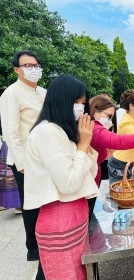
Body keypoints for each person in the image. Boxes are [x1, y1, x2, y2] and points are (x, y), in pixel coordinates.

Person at [23, 74, 99, 279]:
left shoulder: (63, 131)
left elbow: (89, 173)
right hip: (60, 222)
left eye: (83, 103)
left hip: (76, 216)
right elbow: (69, 183)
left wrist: (84, 143)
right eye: (76, 102)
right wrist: (83, 145)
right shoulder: (46, 132)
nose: (80, 109)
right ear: (60, 101)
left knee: (81, 273)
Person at [0, 50, 46, 264]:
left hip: (46, 156)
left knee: (47, 202)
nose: (33, 69)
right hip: (26, 161)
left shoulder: (43, 92)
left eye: (36, 65)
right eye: (28, 66)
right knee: (31, 205)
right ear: (17, 70)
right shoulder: (11, 93)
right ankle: (33, 248)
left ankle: (48, 241)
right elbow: (10, 132)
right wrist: (21, 163)